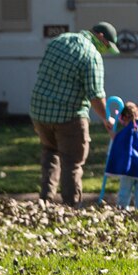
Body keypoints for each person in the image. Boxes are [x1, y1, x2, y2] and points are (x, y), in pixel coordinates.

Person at [29, 22, 115, 207]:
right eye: (107, 45)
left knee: (50, 152)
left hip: (40, 111)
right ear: (100, 36)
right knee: (72, 162)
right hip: (69, 116)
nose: (106, 50)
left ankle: (45, 202)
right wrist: (106, 119)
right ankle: (71, 207)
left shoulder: (59, 40)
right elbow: (96, 95)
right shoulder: (92, 55)